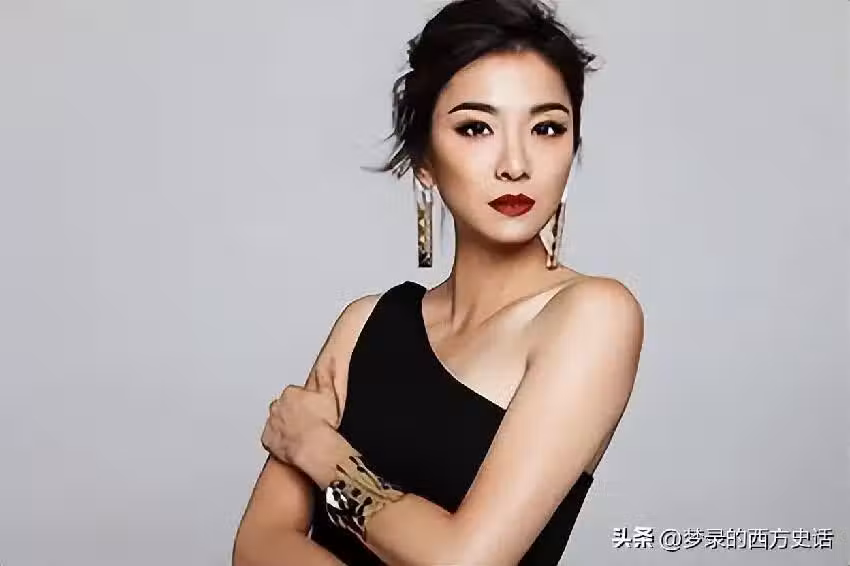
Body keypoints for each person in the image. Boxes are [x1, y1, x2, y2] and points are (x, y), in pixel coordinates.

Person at [232, 0, 644, 564]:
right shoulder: (363, 326)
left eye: (546, 128)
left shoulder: (592, 316)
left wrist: (321, 452)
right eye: (476, 128)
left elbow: (465, 561)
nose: (515, 164)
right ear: (424, 158)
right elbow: (257, 546)